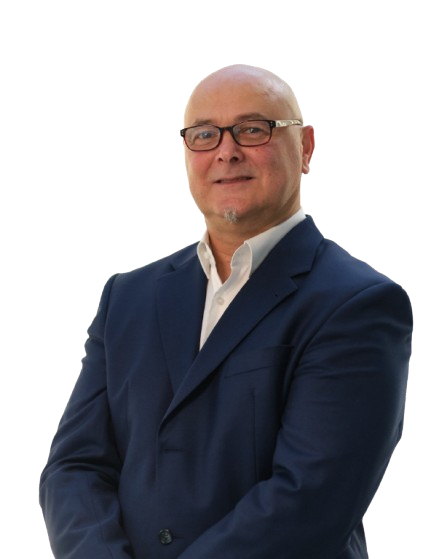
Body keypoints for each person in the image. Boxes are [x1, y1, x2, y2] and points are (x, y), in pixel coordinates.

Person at [39, 64, 413, 558]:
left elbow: (311, 500)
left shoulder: (358, 303)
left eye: (253, 129)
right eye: (204, 135)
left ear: (306, 147)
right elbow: (74, 466)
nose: (226, 151)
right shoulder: (128, 296)